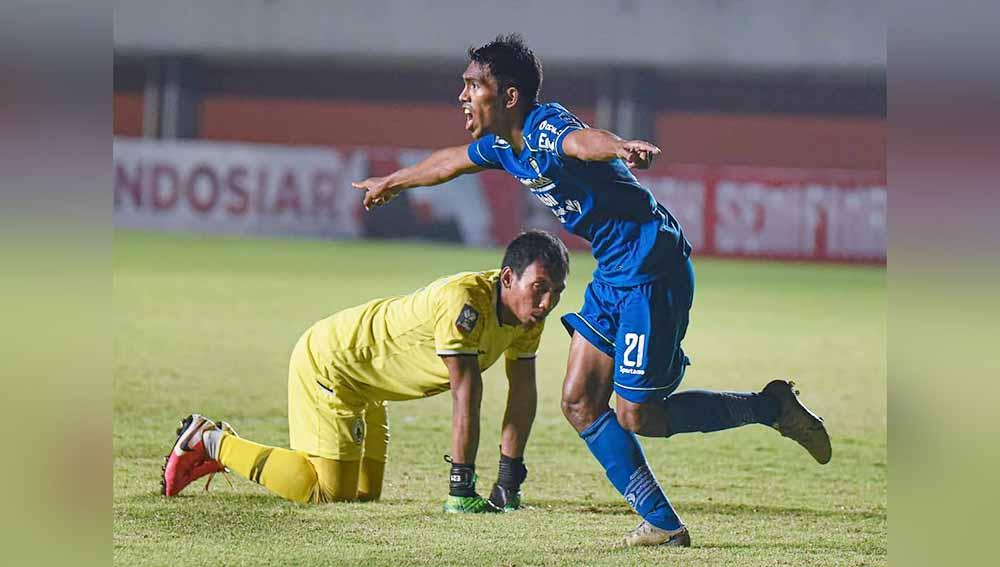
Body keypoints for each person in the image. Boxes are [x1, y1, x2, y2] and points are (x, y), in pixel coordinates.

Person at [352, 34, 832, 547]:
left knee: (637, 415)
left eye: (474, 85)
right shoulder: (502, 146)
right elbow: (450, 161)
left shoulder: (544, 127)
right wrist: (395, 182)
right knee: (579, 400)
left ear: (509, 96)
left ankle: (769, 408)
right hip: (613, 272)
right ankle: (664, 526)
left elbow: (581, 142)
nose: (463, 96)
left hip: (653, 268)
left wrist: (620, 147)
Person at [161, 230, 569, 513]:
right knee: (327, 493)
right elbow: (467, 393)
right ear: (508, 278)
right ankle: (211, 441)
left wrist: (509, 481)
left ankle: (217, 444)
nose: (547, 302)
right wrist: (461, 488)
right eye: (540, 288)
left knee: (364, 494)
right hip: (332, 365)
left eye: (556, 292)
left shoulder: (527, 317)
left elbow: (522, 395)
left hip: (370, 387)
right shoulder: (464, 302)